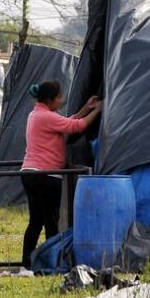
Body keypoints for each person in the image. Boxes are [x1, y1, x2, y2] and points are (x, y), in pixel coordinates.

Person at [19, 81, 101, 270]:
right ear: (50, 99)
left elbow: (66, 122)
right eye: (59, 97)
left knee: (36, 221)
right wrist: (97, 111)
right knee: (51, 221)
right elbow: (77, 126)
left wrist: (85, 108)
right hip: (46, 175)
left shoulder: (36, 114)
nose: (61, 100)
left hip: (30, 173)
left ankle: (27, 262)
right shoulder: (46, 117)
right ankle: (51, 261)